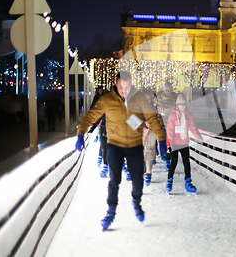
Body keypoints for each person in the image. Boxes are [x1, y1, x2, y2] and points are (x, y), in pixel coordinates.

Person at [75, 71, 166, 231]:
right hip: (115, 146)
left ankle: (136, 202)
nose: (124, 90)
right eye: (121, 86)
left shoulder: (138, 99)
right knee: (114, 180)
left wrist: (162, 139)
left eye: (127, 86)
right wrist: (81, 133)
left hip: (135, 146)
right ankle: (110, 211)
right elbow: (91, 116)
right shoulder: (107, 99)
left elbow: (152, 118)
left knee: (138, 180)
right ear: (116, 84)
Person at [165, 94, 203, 193]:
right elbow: (169, 131)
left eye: (184, 104)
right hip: (175, 143)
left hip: (184, 142)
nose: (182, 106)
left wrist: (198, 137)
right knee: (174, 162)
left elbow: (193, 128)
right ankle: (169, 181)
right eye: (180, 104)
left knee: (187, 162)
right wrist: (169, 144)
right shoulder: (172, 115)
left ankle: (188, 182)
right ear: (177, 105)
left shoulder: (188, 116)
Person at [156, 82, 178, 170]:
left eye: (169, 90)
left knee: (170, 141)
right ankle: (163, 154)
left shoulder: (174, 98)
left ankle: (168, 160)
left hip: (171, 121)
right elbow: (155, 108)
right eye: (166, 90)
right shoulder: (158, 98)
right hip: (161, 121)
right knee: (162, 140)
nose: (167, 92)